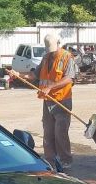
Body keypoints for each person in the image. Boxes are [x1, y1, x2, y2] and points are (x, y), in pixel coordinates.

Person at [10, 34, 78, 170]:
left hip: (62, 100)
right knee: (48, 133)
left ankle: (65, 160)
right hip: (47, 101)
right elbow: (34, 75)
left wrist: (50, 87)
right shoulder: (46, 58)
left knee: (60, 133)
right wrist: (19, 75)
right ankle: (50, 161)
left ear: (59, 43)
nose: (51, 53)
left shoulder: (67, 57)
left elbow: (69, 78)